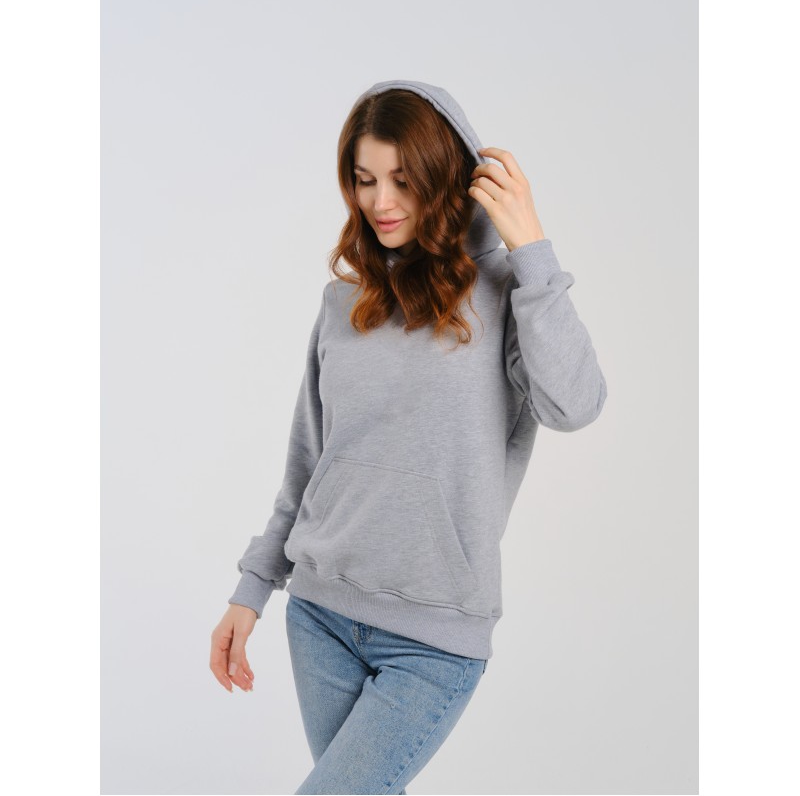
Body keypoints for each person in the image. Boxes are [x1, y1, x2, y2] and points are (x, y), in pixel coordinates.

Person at [210, 79, 608, 794]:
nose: (381, 202)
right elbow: (308, 461)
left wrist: (532, 251)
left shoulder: (509, 291)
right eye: (364, 180)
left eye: (403, 179)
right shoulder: (343, 301)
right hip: (320, 615)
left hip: (435, 639)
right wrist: (252, 588)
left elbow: (574, 405)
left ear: (447, 177)